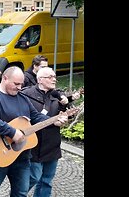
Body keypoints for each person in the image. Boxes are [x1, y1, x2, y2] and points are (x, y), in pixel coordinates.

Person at [0, 66, 68, 197]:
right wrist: (12, 132)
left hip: (22, 155)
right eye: (16, 84)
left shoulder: (22, 98)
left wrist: (54, 121)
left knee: (21, 192)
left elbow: (35, 116)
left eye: (21, 84)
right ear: (5, 78)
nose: (20, 87)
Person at [20, 67, 80, 197]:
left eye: (54, 76)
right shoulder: (27, 94)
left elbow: (66, 115)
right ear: (40, 80)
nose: (54, 79)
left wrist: (65, 114)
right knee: (33, 177)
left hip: (52, 144)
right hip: (33, 144)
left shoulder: (58, 95)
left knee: (47, 180)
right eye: (50, 77)